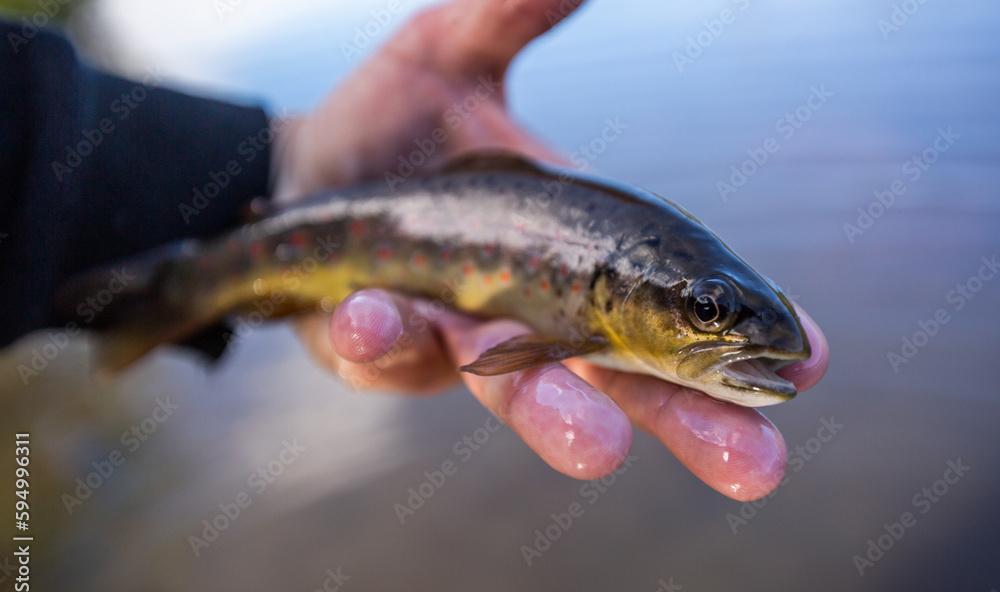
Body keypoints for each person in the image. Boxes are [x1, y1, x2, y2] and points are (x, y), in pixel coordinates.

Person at [0, 0, 828, 500]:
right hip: (301, 233)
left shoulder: (631, 287)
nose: (725, 326)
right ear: (613, 297)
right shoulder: (594, 303)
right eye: (708, 309)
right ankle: (171, 296)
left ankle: (156, 300)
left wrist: (268, 165)